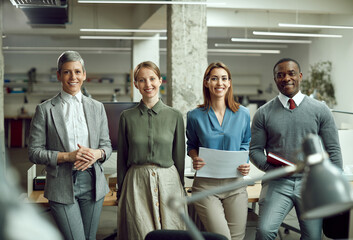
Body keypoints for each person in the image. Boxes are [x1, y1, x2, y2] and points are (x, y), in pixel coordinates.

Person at [249, 58, 343, 240]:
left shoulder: (321, 110)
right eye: (280, 75)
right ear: (275, 79)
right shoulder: (263, 113)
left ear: (300, 76)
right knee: (265, 231)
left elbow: (333, 150)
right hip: (277, 183)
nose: (286, 78)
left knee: (313, 236)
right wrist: (273, 170)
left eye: (291, 73)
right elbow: (255, 150)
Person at [28, 51, 112, 240]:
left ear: (84, 74)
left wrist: (96, 153)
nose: (73, 77)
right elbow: (34, 152)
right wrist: (67, 156)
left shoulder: (97, 107)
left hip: (93, 183)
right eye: (67, 72)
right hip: (61, 184)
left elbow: (106, 145)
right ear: (59, 75)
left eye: (77, 72)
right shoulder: (45, 110)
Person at [117, 61, 187, 240]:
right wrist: (120, 189)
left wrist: (181, 187)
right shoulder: (126, 117)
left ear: (160, 81)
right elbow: (122, 157)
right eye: (142, 80)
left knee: (171, 232)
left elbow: (179, 156)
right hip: (136, 182)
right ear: (136, 85)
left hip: (169, 181)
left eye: (152, 79)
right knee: (140, 233)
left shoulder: (175, 116)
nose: (148, 84)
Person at [186, 62, 251, 240]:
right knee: (221, 238)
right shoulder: (194, 115)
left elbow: (246, 142)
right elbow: (191, 145)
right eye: (214, 78)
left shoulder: (243, 113)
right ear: (206, 83)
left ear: (229, 82)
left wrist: (245, 162)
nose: (219, 83)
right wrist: (195, 157)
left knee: (237, 238)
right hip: (207, 187)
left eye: (223, 78)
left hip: (235, 186)